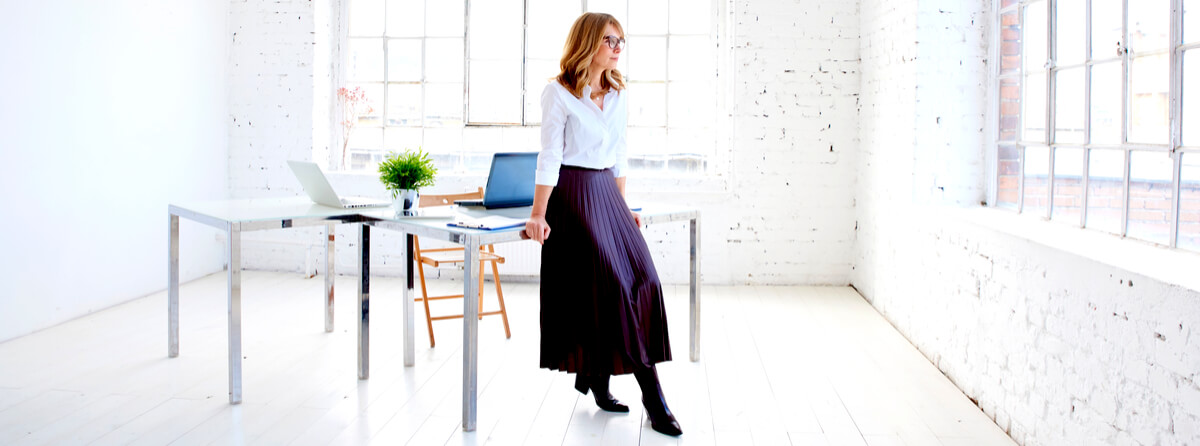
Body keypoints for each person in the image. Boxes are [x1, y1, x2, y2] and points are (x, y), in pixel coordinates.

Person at [524, 12, 682, 437]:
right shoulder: (557, 94)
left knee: (644, 280)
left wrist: (621, 207)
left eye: (621, 41)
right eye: (610, 39)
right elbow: (549, 156)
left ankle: (595, 378)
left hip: (607, 194)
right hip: (573, 195)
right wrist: (539, 213)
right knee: (610, 289)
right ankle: (655, 399)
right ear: (589, 42)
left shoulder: (617, 92)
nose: (617, 48)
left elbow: (621, 152)